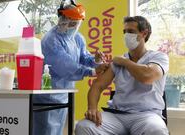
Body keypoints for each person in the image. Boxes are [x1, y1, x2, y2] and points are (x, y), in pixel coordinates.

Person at [75, 16, 169, 135]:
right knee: (84, 127)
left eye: (131, 31)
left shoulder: (158, 57)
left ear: (144, 33)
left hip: (146, 115)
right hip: (117, 116)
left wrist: (124, 61)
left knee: (156, 130)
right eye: (124, 32)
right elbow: (97, 86)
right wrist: (92, 108)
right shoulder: (117, 62)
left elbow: (147, 77)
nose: (126, 35)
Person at [32, 1, 108, 135]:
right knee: (46, 130)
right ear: (63, 21)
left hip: (64, 94)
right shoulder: (51, 40)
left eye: (78, 23)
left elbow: (84, 57)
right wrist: (91, 71)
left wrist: (95, 60)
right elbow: (65, 65)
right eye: (73, 23)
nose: (75, 27)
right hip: (48, 96)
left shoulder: (77, 38)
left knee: (58, 130)